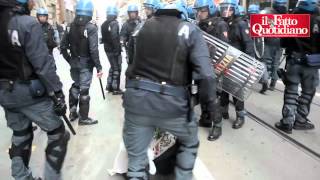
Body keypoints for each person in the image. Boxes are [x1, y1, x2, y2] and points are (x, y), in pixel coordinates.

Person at [123, 1, 217, 180]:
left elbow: (130, 63)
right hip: (172, 105)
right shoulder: (189, 30)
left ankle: (136, 175)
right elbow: (206, 75)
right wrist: (210, 105)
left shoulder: (141, 28)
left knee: (135, 160)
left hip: (136, 101)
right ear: (181, 15)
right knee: (189, 142)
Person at [0, 0, 70, 179]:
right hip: (30, 93)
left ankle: (21, 177)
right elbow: (42, 64)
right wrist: (58, 92)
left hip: (5, 93)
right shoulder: (27, 23)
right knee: (58, 134)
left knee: (21, 135)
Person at [275, 0, 320, 134]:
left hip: (293, 62)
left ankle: (287, 122)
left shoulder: (290, 21)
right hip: (312, 64)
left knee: (291, 92)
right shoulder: (318, 21)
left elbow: (283, 43)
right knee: (307, 93)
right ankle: (300, 120)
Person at [61, 0, 102, 125]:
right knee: (84, 90)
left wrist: (70, 60)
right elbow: (93, 50)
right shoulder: (91, 27)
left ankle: (73, 112)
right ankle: (83, 118)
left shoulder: (69, 26)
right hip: (86, 64)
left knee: (76, 85)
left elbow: (62, 47)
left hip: (74, 62)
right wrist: (99, 67)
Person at [193, 0, 228, 140]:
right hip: (200, 64)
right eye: (198, 11)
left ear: (210, 9)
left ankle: (217, 125)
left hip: (213, 66)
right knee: (201, 94)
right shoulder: (198, 25)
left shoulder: (220, 24)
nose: (199, 14)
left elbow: (224, 48)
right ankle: (206, 118)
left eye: (202, 10)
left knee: (212, 97)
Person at [219, 0, 255, 129]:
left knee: (237, 91)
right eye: (223, 8)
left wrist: (250, 64)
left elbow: (248, 44)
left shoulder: (240, 24)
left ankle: (240, 116)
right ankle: (224, 112)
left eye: (228, 9)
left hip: (238, 63)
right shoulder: (222, 23)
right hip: (225, 61)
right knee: (223, 89)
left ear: (234, 10)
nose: (225, 11)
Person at [259, 0, 288, 93]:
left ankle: (265, 79)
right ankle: (273, 84)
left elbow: (258, 22)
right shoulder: (286, 15)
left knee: (265, 61)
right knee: (276, 63)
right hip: (280, 41)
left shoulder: (266, 12)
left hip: (268, 40)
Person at [101, 5, 123, 95]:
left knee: (112, 67)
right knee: (117, 68)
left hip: (107, 48)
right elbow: (114, 37)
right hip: (113, 49)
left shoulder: (104, 24)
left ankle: (109, 86)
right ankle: (115, 88)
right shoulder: (114, 23)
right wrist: (117, 49)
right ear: (115, 14)